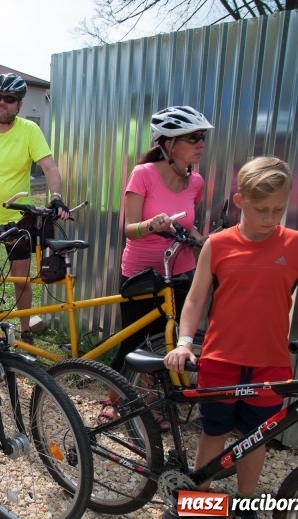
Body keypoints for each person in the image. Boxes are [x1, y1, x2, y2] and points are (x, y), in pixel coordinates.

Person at [162, 157, 298, 519]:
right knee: (213, 433)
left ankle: (245, 507)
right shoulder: (218, 244)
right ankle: (199, 501)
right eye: (262, 209)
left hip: (270, 363)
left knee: (253, 438)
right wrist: (183, 342)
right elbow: (195, 300)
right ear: (239, 200)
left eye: (279, 208)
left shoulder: (296, 244)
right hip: (220, 360)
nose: (270, 217)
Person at [105, 105, 213, 431]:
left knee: (165, 341)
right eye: (193, 137)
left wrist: (206, 242)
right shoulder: (144, 174)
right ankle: (113, 399)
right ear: (168, 144)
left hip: (179, 269)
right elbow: (129, 229)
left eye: (202, 137)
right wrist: (151, 224)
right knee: (134, 340)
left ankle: (151, 401)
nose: (201, 143)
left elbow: (189, 227)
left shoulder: (195, 182)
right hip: (141, 271)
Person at [0, 73, 69, 344]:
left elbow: (49, 167)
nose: (2, 103)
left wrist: (56, 196)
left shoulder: (29, 131)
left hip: (18, 217)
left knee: (20, 278)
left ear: (19, 104)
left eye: (9, 99)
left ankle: (25, 331)